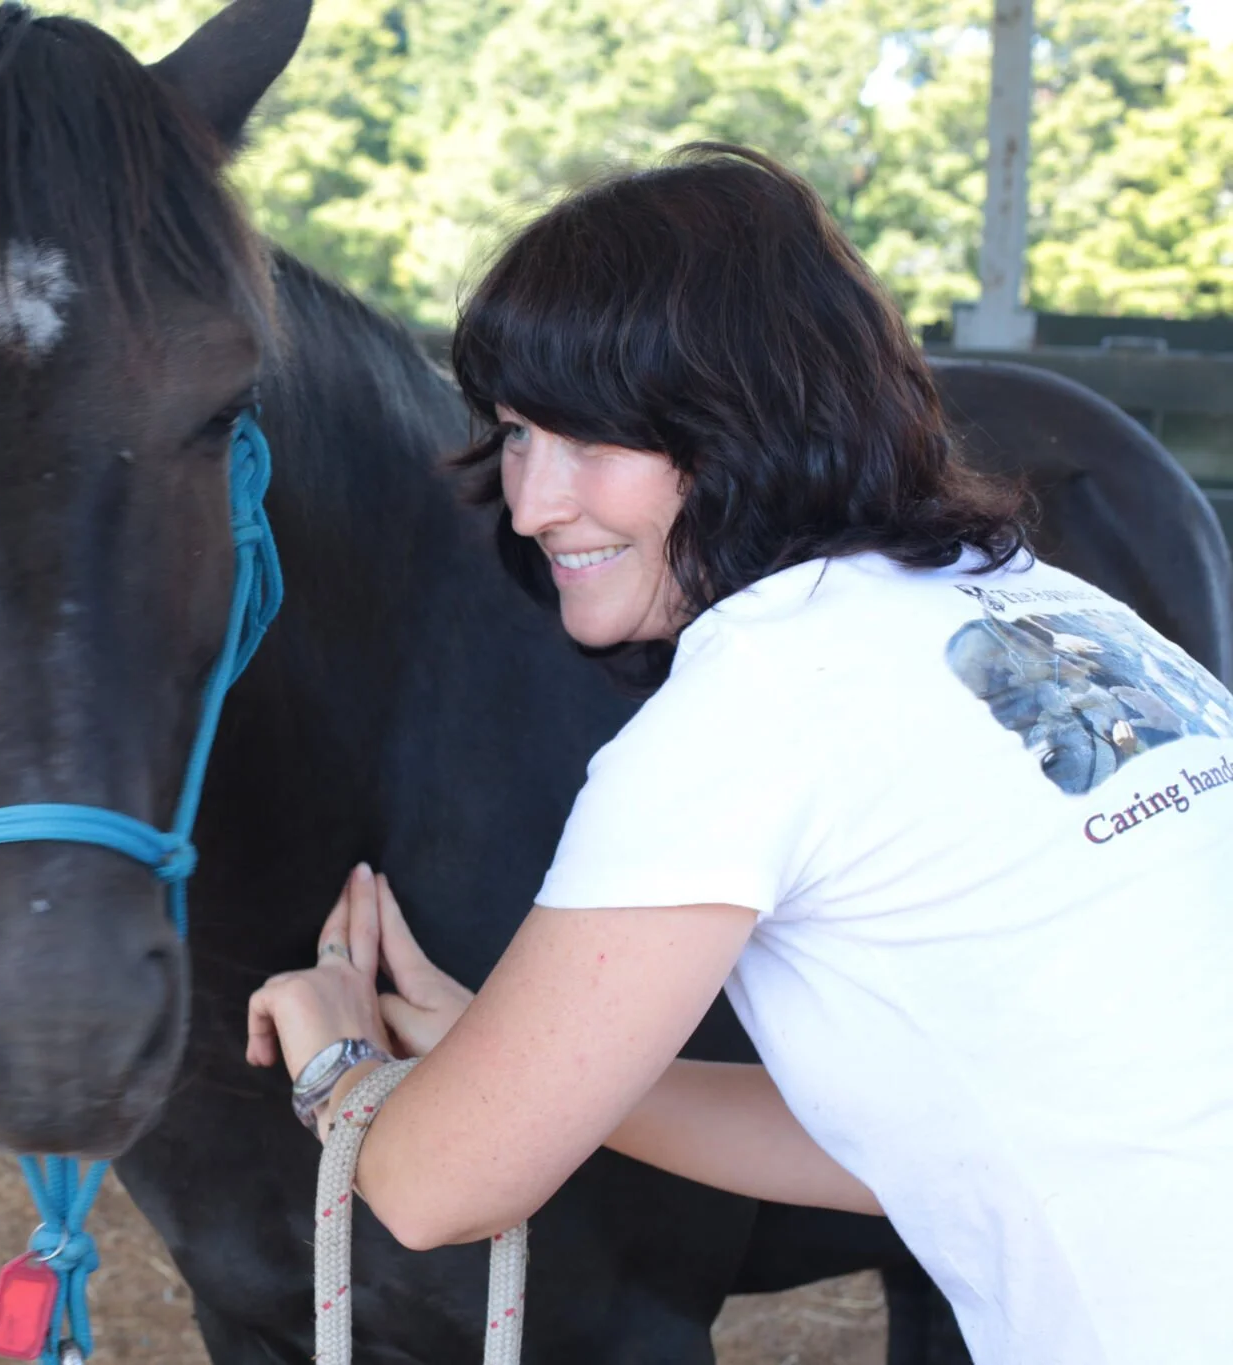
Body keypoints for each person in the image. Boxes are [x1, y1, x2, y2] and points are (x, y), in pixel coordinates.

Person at [244, 143, 1233, 1365]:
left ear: (748, 424)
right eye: (513, 435)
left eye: (594, 439)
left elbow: (437, 1191)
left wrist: (337, 1059)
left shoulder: (757, 698)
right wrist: (507, 1060)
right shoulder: (1038, 608)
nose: (535, 500)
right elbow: (922, 1149)